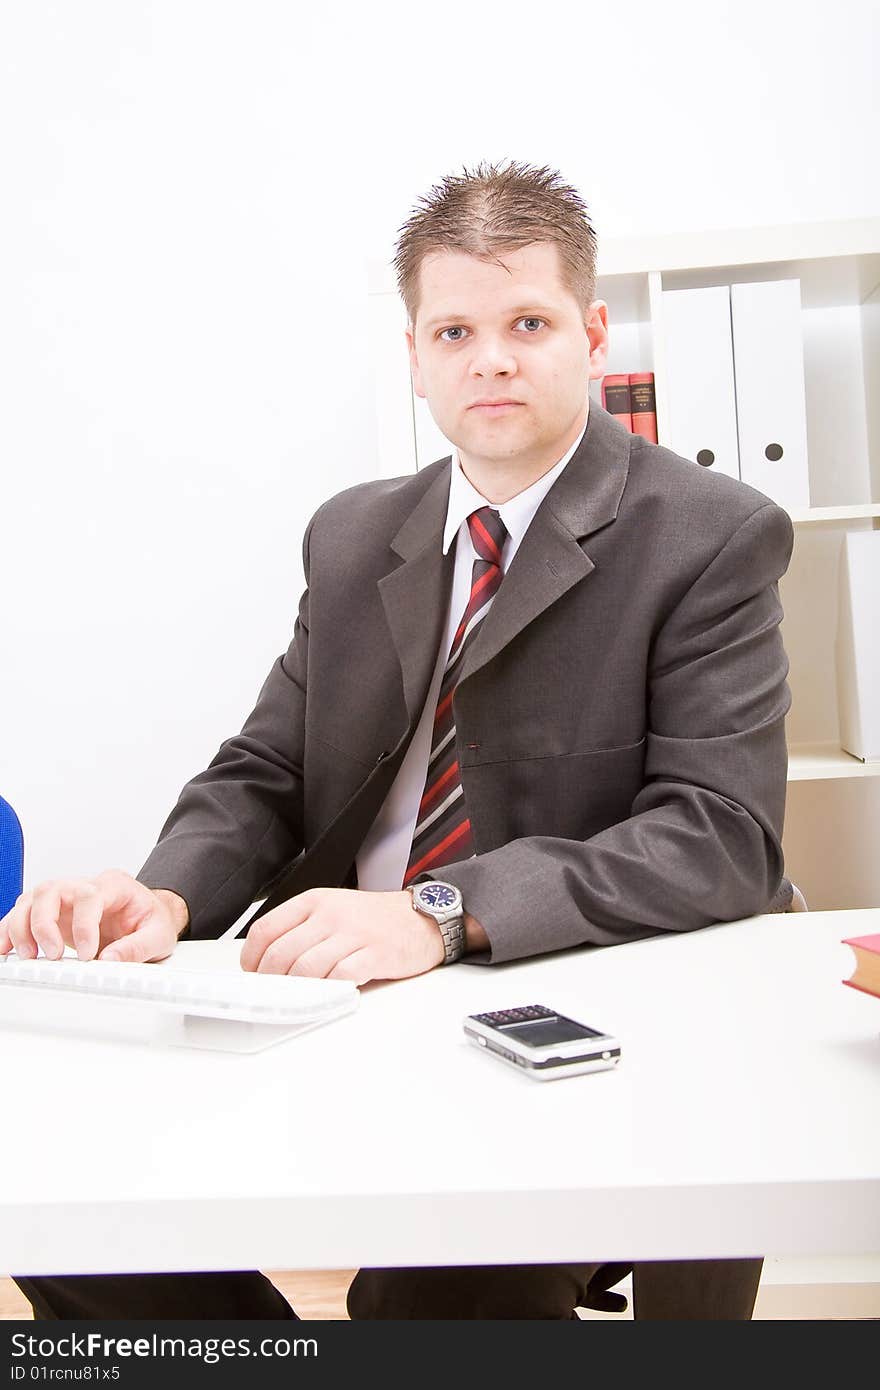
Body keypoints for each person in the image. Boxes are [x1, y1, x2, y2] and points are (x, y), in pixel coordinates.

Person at [3, 159, 794, 1320]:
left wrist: (435, 912)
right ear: (416, 352)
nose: (491, 357)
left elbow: (719, 836)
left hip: (562, 1006)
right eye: (455, 329)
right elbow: (265, 771)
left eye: (527, 322)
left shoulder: (712, 534)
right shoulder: (354, 531)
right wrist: (165, 896)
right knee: (60, 1192)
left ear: (591, 332)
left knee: (431, 1296)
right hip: (344, 1006)